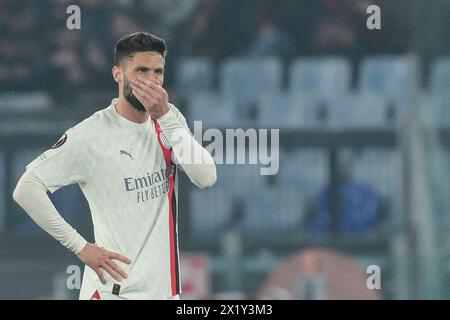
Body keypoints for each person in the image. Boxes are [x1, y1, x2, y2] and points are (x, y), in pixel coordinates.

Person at [12, 32, 217, 300]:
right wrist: (80, 246)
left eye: (158, 72)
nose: (151, 80)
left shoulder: (169, 118)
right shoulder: (91, 135)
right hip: (114, 294)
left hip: (165, 294)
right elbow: (26, 188)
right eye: (141, 70)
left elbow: (206, 178)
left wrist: (166, 117)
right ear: (118, 74)